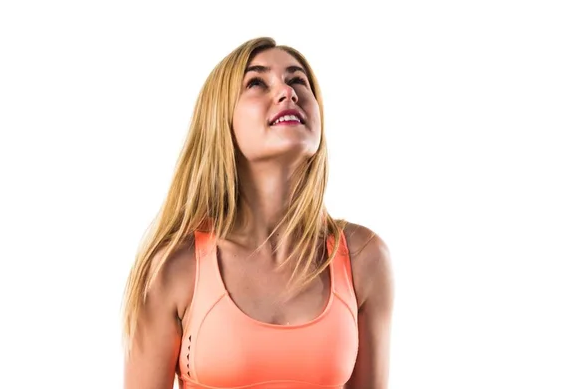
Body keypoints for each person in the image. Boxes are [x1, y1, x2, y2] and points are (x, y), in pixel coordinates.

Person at [121, 37, 394, 388]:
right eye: (256, 82)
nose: (287, 92)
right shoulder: (172, 267)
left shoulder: (363, 257)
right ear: (220, 120)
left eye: (298, 81)